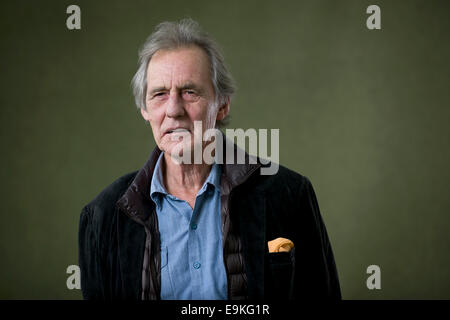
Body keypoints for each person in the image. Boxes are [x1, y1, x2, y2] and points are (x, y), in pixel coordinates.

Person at [78, 18, 341, 300]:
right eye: (159, 94)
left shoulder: (289, 195)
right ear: (145, 109)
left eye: (190, 92)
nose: (174, 109)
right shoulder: (102, 219)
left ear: (222, 105)